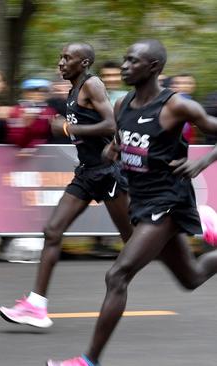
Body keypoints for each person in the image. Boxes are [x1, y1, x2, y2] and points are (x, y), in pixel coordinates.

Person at [48, 39, 217, 366]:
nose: (123, 67)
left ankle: (87, 361)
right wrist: (115, 148)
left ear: (153, 68)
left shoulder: (177, 105)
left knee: (118, 275)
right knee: (192, 277)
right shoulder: (123, 104)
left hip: (168, 201)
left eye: (132, 61)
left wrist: (205, 160)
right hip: (141, 199)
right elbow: (121, 137)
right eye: (124, 60)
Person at [0, 42, 132, 328]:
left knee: (135, 239)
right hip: (86, 173)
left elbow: (111, 126)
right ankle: (37, 305)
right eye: (60, 57)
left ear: (84, 63)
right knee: (52, 230)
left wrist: (69, 128)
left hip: (108, 172)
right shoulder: (72, 91)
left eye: (67, 58)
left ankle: (191, 231)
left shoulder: (92, 84)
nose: (60, 63)